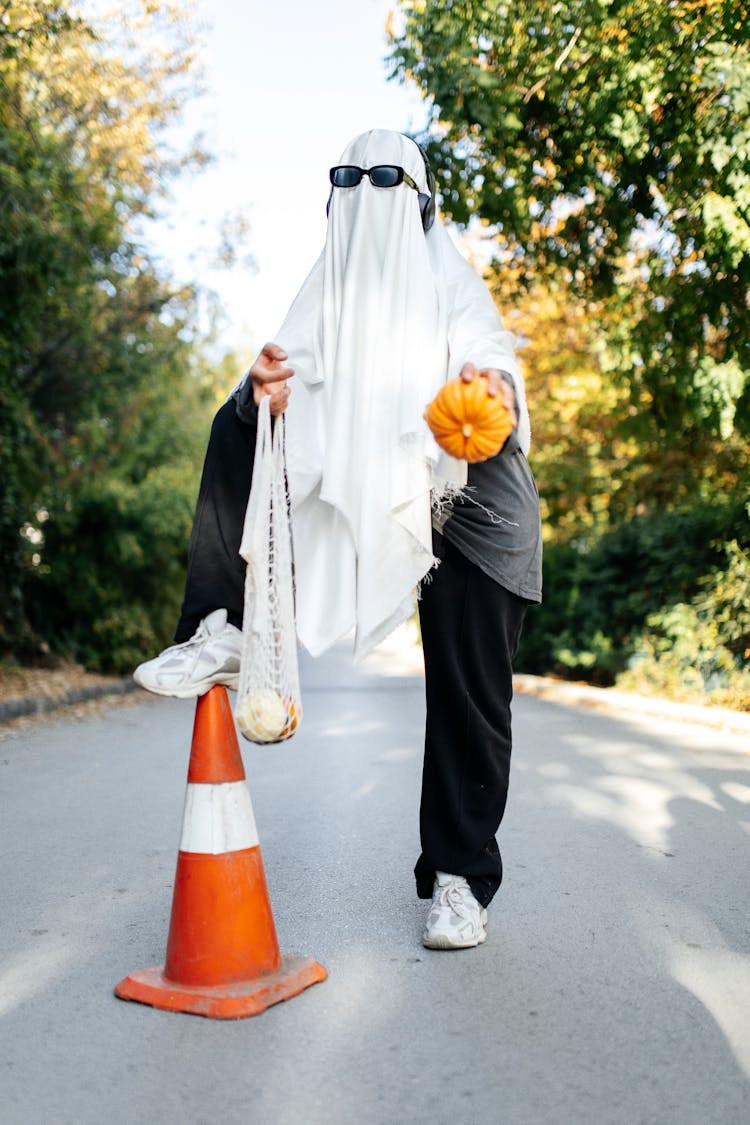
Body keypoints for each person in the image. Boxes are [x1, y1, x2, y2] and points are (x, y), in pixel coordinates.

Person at [134, 129, 542, 950]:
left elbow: (489, 348)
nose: (367, 205)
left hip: (473, 507)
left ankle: (460, 876)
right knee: (239, 417)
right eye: (348, 186)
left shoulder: (449, 283)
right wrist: (266, 392)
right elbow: (290, 368)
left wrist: (489, 386)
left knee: (470, 696)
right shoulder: (326, 293)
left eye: (387, 187)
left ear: (424, 210)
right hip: (369, 484)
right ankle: (223, 630)